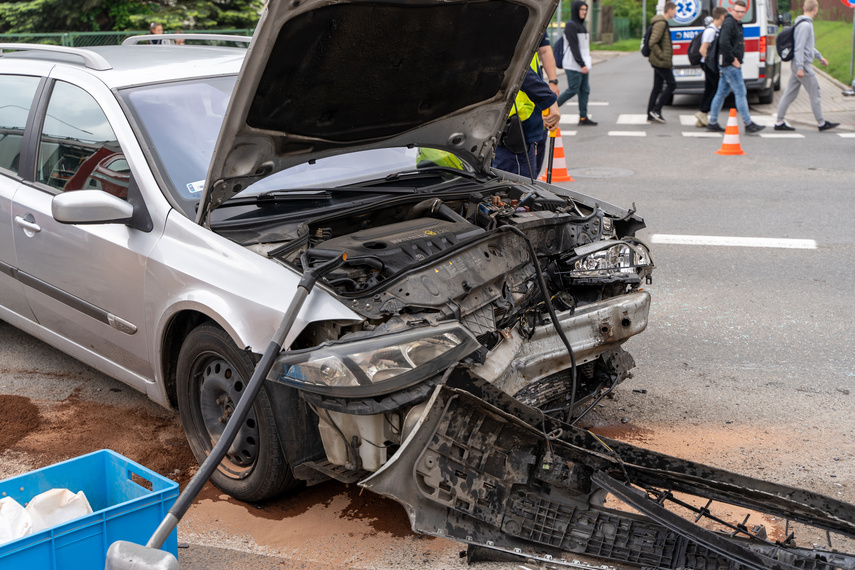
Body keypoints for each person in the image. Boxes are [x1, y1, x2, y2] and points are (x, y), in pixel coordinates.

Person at [774, 0, 839, 132]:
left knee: (789, 94)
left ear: (804, 8)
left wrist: (819, 57)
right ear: (815, 9)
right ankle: (821, 123)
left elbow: (807, 47)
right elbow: (799, 48)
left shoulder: (802, 23)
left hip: (799, 64)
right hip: (803, 65)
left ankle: (779, 122)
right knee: (815, 93)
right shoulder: (805, 26)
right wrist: (800, 68)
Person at [492, 64, 560, 178]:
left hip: (519, 127)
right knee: (518, 190)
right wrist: (547, 98)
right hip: (514, 130)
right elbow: (515, 65)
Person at [706, 1, 764, 133]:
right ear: (732, 10)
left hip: (727, 63)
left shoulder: (734, 23)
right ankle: (748, 124)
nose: (740, 14)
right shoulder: (729, 23)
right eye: (737, 11)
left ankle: (712, 122)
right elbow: (723, 42)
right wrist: (733, 59)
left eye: (742, 12)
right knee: (740, 92)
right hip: (730, 64)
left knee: (721, 93)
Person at [557, 0, 598, 126]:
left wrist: (585, 64)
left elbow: (584, 48)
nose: (584, 12)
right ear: (576, 10)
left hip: (584, 65)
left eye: (586, 10)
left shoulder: (582, 26)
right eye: (582, 9)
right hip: (573, 65)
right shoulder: (571, 25)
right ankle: (549, 109)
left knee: (585, 90)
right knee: (573, 89)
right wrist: (582, 64)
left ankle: (583, 117)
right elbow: (574, 47)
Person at [695, 8, 727, 127]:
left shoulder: (715, 30)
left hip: (709, 64)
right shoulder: (710, 31)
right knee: (715, 89)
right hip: (709, 64)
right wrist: (710, 64)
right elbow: (702, 49)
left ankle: (701, 116)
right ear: (722, 17)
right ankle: (703, 112)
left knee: (709, 88)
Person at [646, 2, 677, 124]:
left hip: (658, 61)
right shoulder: (661, 23)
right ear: (669, 10)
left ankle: (650, 113)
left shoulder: (662, 23)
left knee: (657, 87)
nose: (675, 13)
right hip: (660, 61)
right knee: (671, 84)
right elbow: (652, 42)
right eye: (674, 10)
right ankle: (656, 110)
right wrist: (662, 56)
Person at [537, 32, 562, 175]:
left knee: (539, 139)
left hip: (535, 90)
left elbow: (545, 50)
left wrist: (553, 81)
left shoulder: (536, 18)